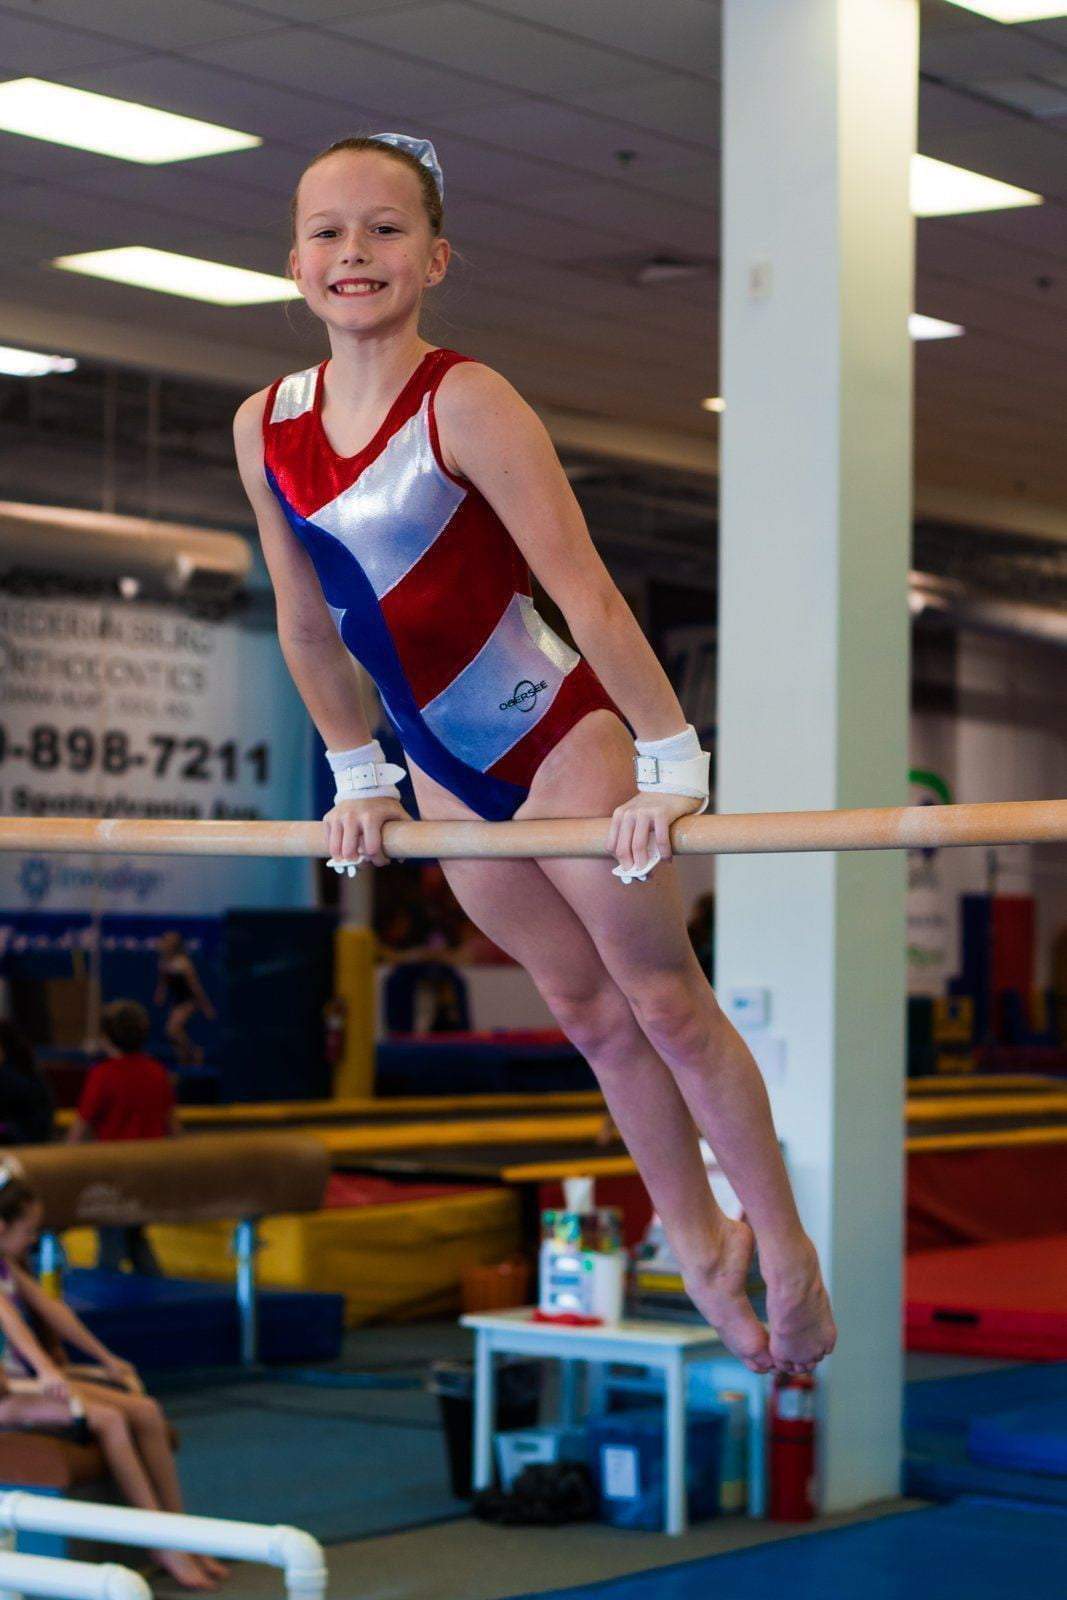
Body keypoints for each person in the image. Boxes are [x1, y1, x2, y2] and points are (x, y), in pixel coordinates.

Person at [233, 133, 836, 1375]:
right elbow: (305, 615)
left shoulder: (466, 398)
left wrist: (670, 755)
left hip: (558, 736)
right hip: (445, 770)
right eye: (330, 232)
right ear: (293, 260)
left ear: (436, 257)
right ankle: (696, 1234)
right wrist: (356, 769)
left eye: (386, 229)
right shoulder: (265, 425)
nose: (356, 253)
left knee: (663, 1000)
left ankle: (780, 1242)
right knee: (584, 1013)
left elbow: (582, 587)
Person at [0, 1164, 226, 1590]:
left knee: (145, 1409)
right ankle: (157, 1543)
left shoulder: (9, 1266)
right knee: (109, 1418)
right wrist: (48, 1369)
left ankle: (183, 1532)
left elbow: (55, 1313)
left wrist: (105, 1359)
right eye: (29, 1230)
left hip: (21, 1384)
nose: (34, 1238)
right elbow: (8, 1318)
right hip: (6, 1393)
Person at [67, 1000, 180, 1275]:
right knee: (135, 1235)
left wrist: (62, 1165)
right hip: (150, 1170)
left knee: (111, 1240)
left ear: (106, 1037)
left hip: (113, 1173)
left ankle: (108, 1295)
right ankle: (155, 1286)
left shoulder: (103, 1075)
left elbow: (79, 1129)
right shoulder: (157, 1071)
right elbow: (174, 1129)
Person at [153, 932, 215, 1068]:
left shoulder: (183, 963)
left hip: (189, 1001)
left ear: (175, 945)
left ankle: (195, 1052)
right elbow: (162, 981)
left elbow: (195, 986)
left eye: (169, 941)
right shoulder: (163, 961)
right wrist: (160, 993)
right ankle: (184, 1062)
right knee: (173, 1036)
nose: (165, 943)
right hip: (176, 1001)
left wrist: (206, 1006)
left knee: (171, 1029)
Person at [0, 1021, 55, 1145]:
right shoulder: (29, 1070)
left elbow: (10, 1126)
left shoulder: (9, 1077)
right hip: (36, 1142)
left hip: (20, 1144)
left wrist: (3, 1128)